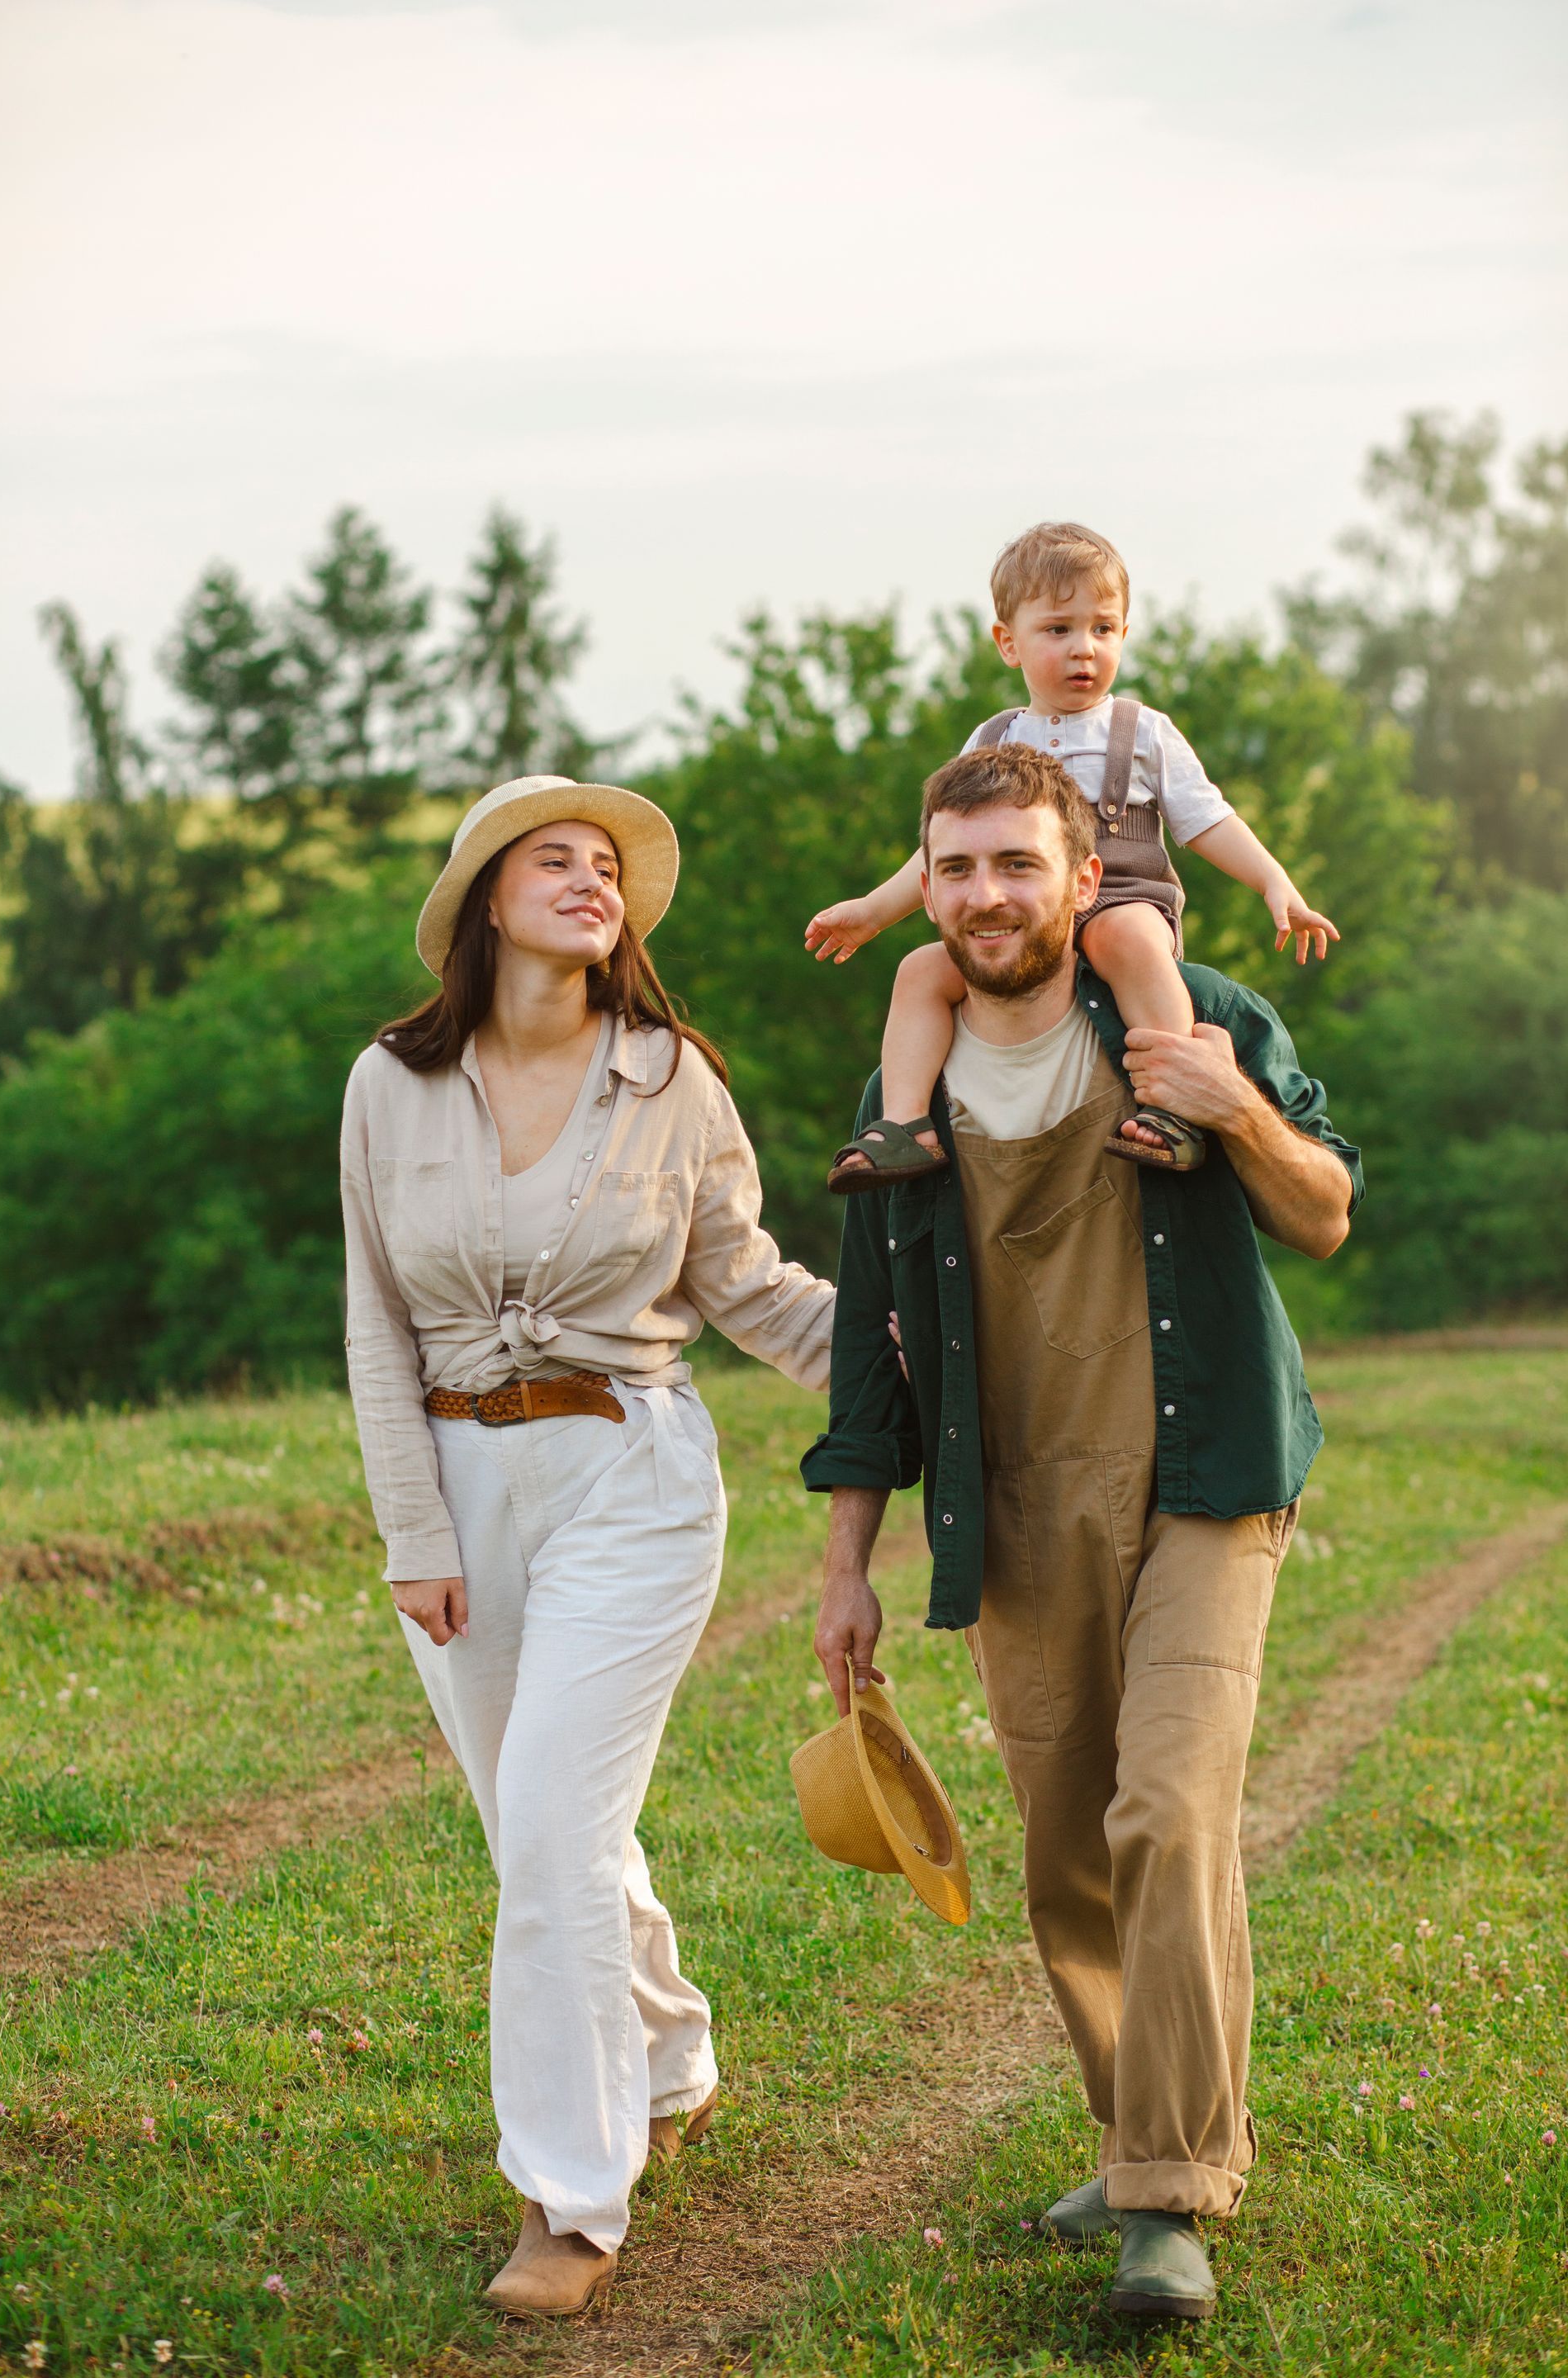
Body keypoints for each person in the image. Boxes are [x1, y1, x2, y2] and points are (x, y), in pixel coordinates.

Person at [801, 739, 1362, 2324]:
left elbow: (1324, 1210)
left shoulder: (1193, 1017)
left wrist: (1237, 1110)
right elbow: (870, 1352)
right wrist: (847, 1560)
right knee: (1068, 1852)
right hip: (1019, 1503)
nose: (985, 896)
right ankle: (1139, 2136)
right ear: (932, 878)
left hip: (1204, 1475)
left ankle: (1172, 2199)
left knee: (1166, 1813)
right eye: (956, 866)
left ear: (1080, 876)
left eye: (1016, 865)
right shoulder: (899, 1102)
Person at [340, 775, 834, 2318]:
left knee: (551, 1822)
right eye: (554, 858)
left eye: (608, 865)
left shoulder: (672, 1077)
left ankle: (570, 2194)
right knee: (540, 1823)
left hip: (633, 1473)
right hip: (462, 1492)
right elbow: (372, 1318)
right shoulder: (389, 1084)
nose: (590, 879)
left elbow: (746, 1285)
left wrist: (917, 1367)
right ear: (487, 898)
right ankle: (671, 2047)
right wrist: (412, 1528)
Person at [808, 520, 1338, 1184]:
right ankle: (906, 1127)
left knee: (1127, 942)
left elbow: (1206, 819)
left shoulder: (1142, 731)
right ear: (1009, 643)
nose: (1084, 649)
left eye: (1104, 629)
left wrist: (1274, 882)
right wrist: (873, 912)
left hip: (1121, 895)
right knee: (920, 972)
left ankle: (1171, 1111)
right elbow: (946, 850)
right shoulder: (994, 738)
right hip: (1026, 919)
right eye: (1058, 630)